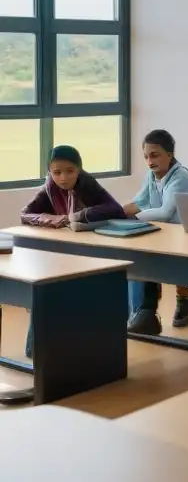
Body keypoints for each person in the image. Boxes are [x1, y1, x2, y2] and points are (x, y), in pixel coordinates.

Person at [19, 145, 125, 359]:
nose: (63, 178)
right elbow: (26, 214)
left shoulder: (88, 184)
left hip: (93, 252)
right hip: (61, 249)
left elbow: (116, 209)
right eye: (56, 172)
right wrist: (54, 219)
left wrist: (79, 215)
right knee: (43, 289)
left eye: (70, 171)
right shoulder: (49, 187)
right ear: (49, 172)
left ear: (79, 169)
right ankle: (37, 350)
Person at [122, 130, 188, 335]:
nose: (150, 161)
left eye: (155, 155)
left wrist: (132, 219)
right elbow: (139, 203)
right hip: (167, 235)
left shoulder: (180, 176)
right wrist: (111, 213)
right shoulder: (152, 175)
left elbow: (165, 213)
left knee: (149, 255)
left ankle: (178, 300)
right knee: (139, 252)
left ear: (170, 154)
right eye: (146, 156)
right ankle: (145, 313)